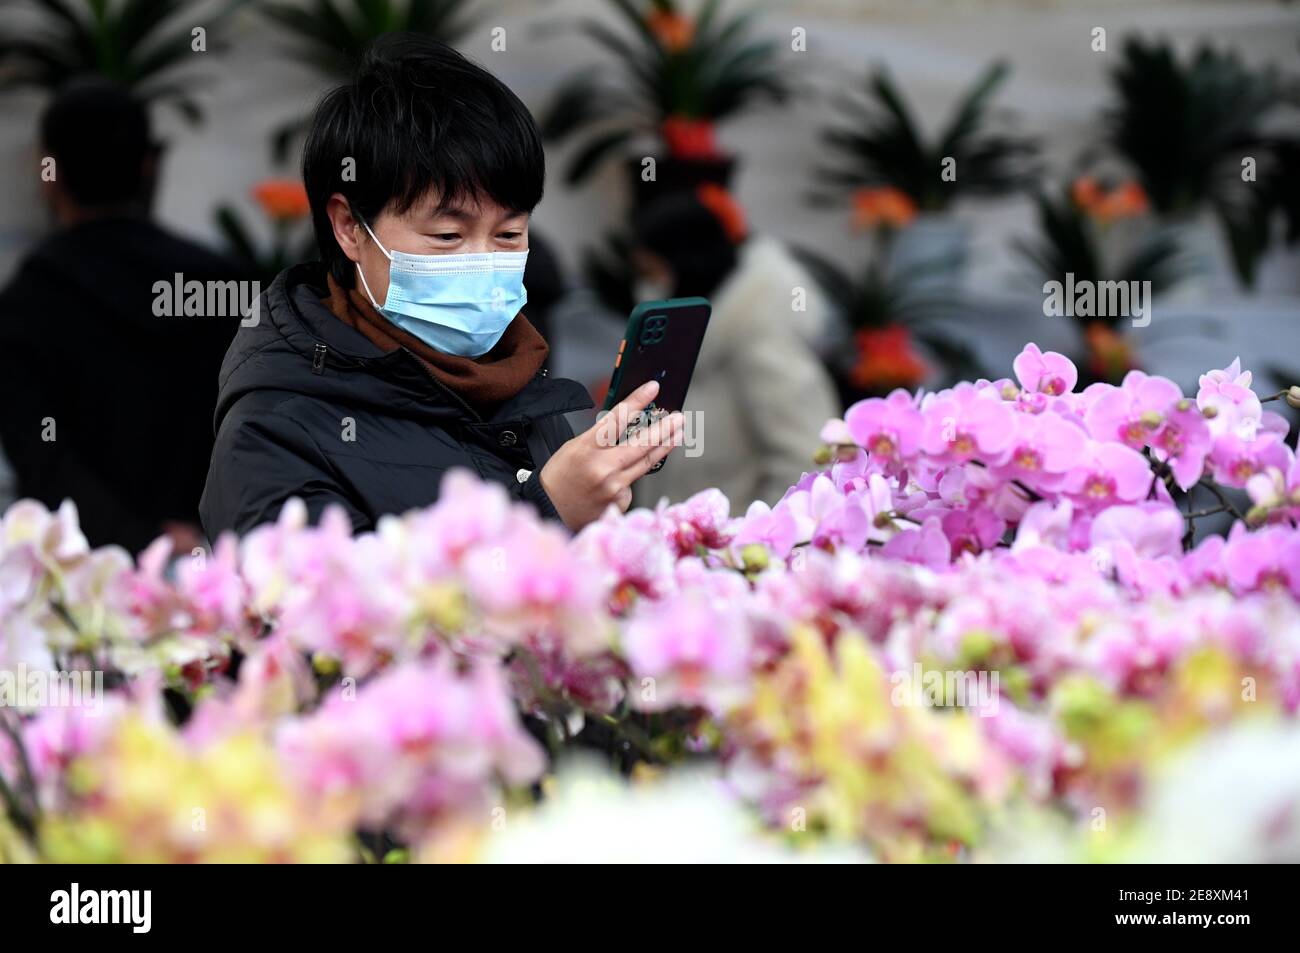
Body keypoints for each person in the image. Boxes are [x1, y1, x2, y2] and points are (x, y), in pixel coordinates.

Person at [199, 35, 683, 539]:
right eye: (447, 236)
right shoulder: (274, 433)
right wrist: (546, 513)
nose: (482, 263)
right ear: (348, 227)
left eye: (509, 234)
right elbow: (316, 613)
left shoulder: (516, 386)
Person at [0, 79, 241, 555]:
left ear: (50, 173)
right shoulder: (219, 284)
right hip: (215, 575)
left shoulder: (27, 301)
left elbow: (41, 460)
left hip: (78, 585)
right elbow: (253, 428)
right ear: (148, 166)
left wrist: (142, 545)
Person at [629, 186, 839, 510]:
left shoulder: (760, 336)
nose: (647, 286)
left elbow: (807, 459)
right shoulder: (693, 344)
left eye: (653, 271)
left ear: (685, 263)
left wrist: (755, 544)